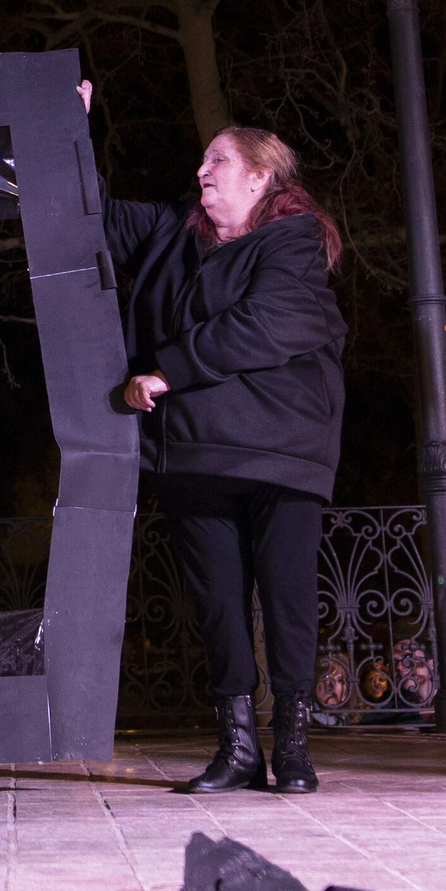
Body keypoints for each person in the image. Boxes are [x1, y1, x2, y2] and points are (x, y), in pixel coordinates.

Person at [83, 83, 345, 795]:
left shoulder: (294, 240)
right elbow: (90, 219)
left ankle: (292, 746)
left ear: (261, 176)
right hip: (194, 451)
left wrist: (168, 369)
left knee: (287, 596)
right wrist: (67, 132)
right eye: (202, 163)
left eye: (219, 162)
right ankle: (237, 749)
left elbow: (273, 324)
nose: (202, 173)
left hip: (281, 450)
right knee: (219, 604)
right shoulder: (175, 228)